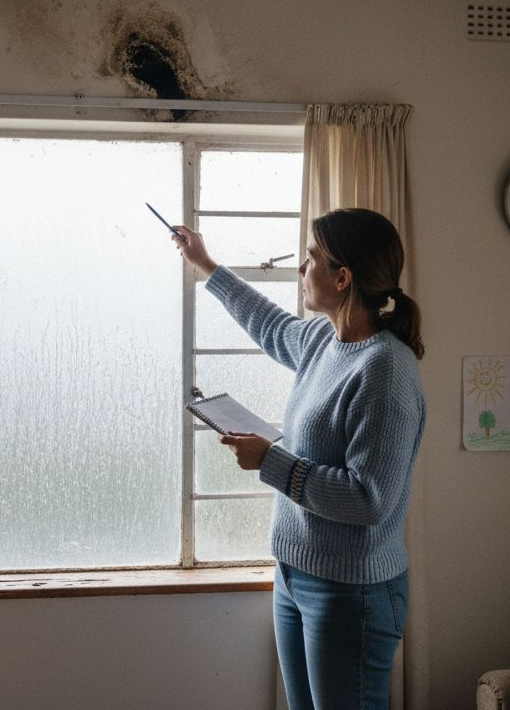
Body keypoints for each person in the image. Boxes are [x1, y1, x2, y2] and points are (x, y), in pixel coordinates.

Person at [171, 207, 426, 710]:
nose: (302, 269)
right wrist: (207, 264)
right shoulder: (322, 340)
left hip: (351, 592)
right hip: (293, 574)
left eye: (311, 259)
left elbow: (369, 499)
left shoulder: (385, 372)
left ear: (342, 276)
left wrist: (271, 461)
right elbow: (267, 324)